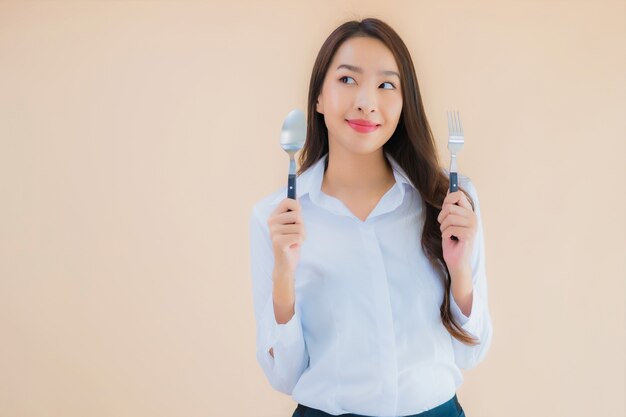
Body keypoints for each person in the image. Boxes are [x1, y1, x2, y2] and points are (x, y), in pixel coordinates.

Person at [249, 17, 493, 417]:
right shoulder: (274, 219)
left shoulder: (447, 201)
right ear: (319, 97)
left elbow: (471, 352)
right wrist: (283, 276)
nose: (366, 101)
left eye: (386, 85)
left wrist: (460, 271)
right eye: (347, 80)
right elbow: (286, 377)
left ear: (403, 103)